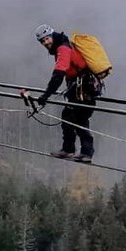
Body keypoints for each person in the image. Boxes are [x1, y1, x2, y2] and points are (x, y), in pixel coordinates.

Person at [24, 24, 96, 163]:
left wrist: (46, 95)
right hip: (80, 87)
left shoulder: (63, 48)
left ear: (52, 36)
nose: (46, 43)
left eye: (47, 39)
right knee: (74, 117)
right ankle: (77, 151)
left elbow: (58, 75)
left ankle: (77, 151)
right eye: (42, 41)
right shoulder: (61, 46)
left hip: (83, 89)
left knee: (76, 117)